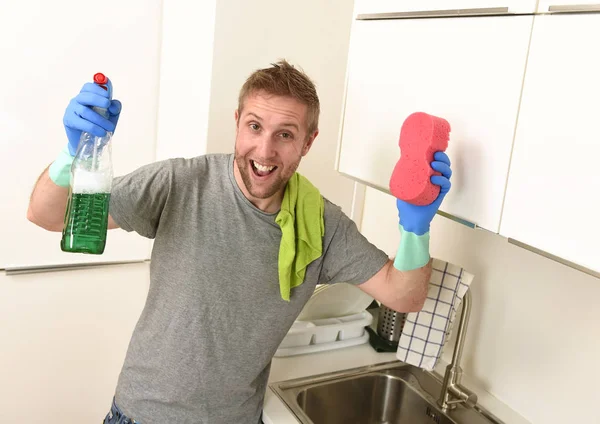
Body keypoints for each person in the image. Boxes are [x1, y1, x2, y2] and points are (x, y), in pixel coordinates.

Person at [27, 60, 452, 424]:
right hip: (144, 414)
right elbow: (47, 215)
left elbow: (403, 295)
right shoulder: (180, 183)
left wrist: (416, 226)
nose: (264, 150)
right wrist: (72, 152)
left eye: (285, 134)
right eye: (255, 126)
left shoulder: (320, 223)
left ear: (308, 142)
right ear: (237, 123)